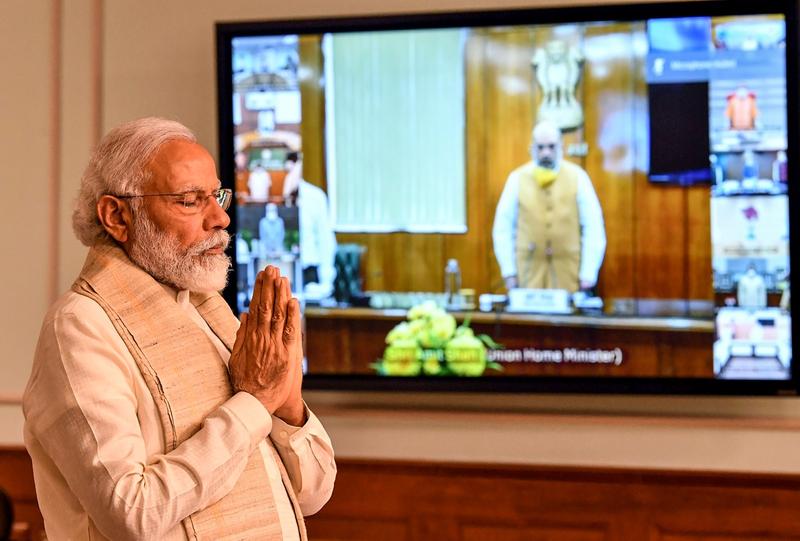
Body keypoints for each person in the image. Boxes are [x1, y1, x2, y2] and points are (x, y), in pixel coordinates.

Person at [23, 117, 335, 540]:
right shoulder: (80, 327)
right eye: (190, 200)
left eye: (217, 196)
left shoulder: (210, 313)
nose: (220, 218)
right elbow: (132, 514)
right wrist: (255, 403)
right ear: (117, 215)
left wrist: (287, 403)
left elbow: (313, 493)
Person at [492, 120, 606, 293]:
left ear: (561, 147)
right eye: (540, 147)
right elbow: (502, 228)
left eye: (551, 147)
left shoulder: (578, 177)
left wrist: (588, 273)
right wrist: (509, 273)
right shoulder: (516, 179)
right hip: (528, 275)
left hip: (569, 274)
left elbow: (593, 226)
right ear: (532, 149)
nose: (546, 153)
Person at [282, 151, 337, 300]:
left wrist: (326, 280)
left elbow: (325, 237)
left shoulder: (314, 197)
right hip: (281, 269)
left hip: (309, 270)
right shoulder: (278, 198)